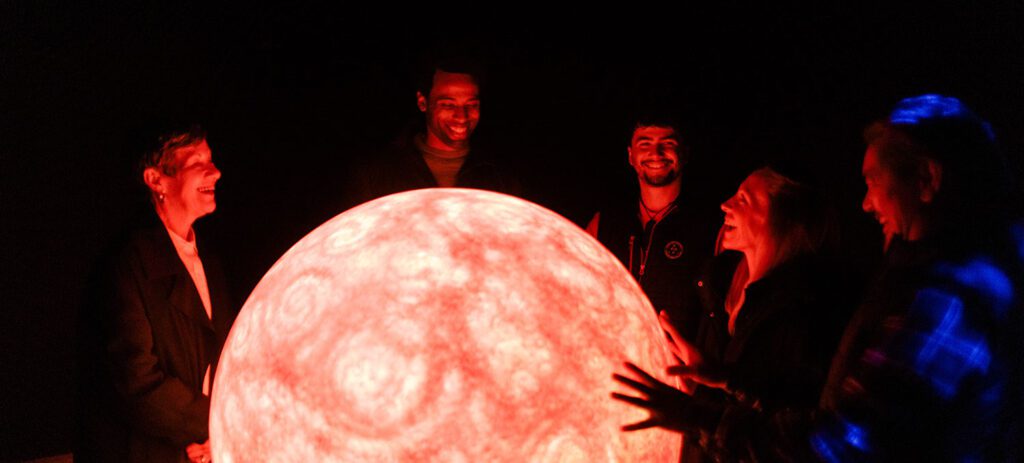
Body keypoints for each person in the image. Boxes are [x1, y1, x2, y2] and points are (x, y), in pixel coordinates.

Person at [612, 95, 1023, 462]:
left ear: (927, 180)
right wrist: (728, 380)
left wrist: (696, 417)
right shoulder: (937, 285)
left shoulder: (947, 304)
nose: (864, 204)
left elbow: (839, 444)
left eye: (873, 182)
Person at [613, 163, 846, 462]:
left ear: (780, 218)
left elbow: (786, 424)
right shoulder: (722, 290)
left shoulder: (802, 309)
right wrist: (704, 382)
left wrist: (694, 413)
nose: (725, 205)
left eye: (743, 199)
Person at [76, 125, 233, 463]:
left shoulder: (209, 262)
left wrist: (211, 437)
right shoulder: (127, 264)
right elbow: (137, 382)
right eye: (197, 163)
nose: (215, 172)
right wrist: (215, 422)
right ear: (156, 179)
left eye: (211, 160)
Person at [586, 114, 717, 343]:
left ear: (684, 154)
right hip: (611, 363)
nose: (656, 154)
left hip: (675, 374)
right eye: (645, 144)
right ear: (631, 156)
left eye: (667, 144)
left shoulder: (712, 228)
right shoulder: (604, 224)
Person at [348, 52, 520, 206]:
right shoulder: (378, 175)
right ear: (422, 102)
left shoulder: (499, 176)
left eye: (471, 104)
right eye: (448, 104)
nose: (462, 116)